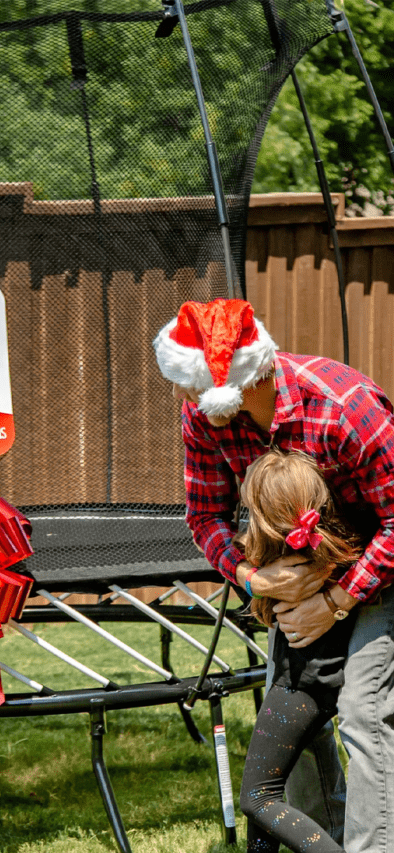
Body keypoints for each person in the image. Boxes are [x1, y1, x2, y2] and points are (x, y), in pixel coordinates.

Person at [152, 297, 394, 853]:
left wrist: (335, 599)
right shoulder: (206, 418)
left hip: (381, 571)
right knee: (295, 737)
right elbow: (204, 517)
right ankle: (324, 841)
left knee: (364, 712)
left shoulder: (345, 407)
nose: (180, 398)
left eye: (186, 385)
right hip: (296, 586)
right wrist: (250, 577)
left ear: (234, 384)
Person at [237, 449, 368, 852]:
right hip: (320, 682)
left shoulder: (283, 569)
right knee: (265, 797)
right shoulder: (328, 553)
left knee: (258, 798)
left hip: (298, 689)